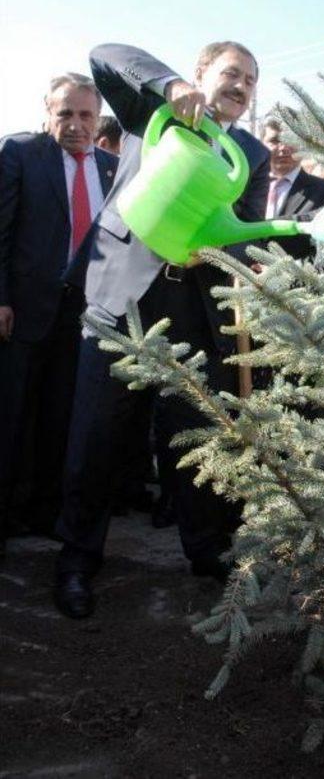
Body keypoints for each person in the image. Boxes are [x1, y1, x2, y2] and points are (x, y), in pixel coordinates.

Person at [54, 41, 269, 618]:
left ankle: (206, 554)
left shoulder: (249, 153)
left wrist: (252, 252)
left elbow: (243, 229)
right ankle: (76, 560)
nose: (240, 85)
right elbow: (105, 56)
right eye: (230, 73)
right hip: (117, 300)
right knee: (95, 439)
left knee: (191, 440)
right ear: (203, 74)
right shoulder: (151, 114)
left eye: (250, 79)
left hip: (193, 315)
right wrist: (169, 84)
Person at [0, 75, 117, 554]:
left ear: (97, 118)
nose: (75, 125)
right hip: (23, 310)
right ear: (47, 112)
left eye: (85, 115)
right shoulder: (20, 154)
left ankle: (45, 512)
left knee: (61, 418)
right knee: (10, 416)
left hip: (85, 314)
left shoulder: (114, 167)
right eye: (64, 113)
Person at [261, 111, 324, 259]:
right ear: (261, 144)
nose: (283, 148)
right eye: (275, 141)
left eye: (290, 140)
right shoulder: (243, 189)